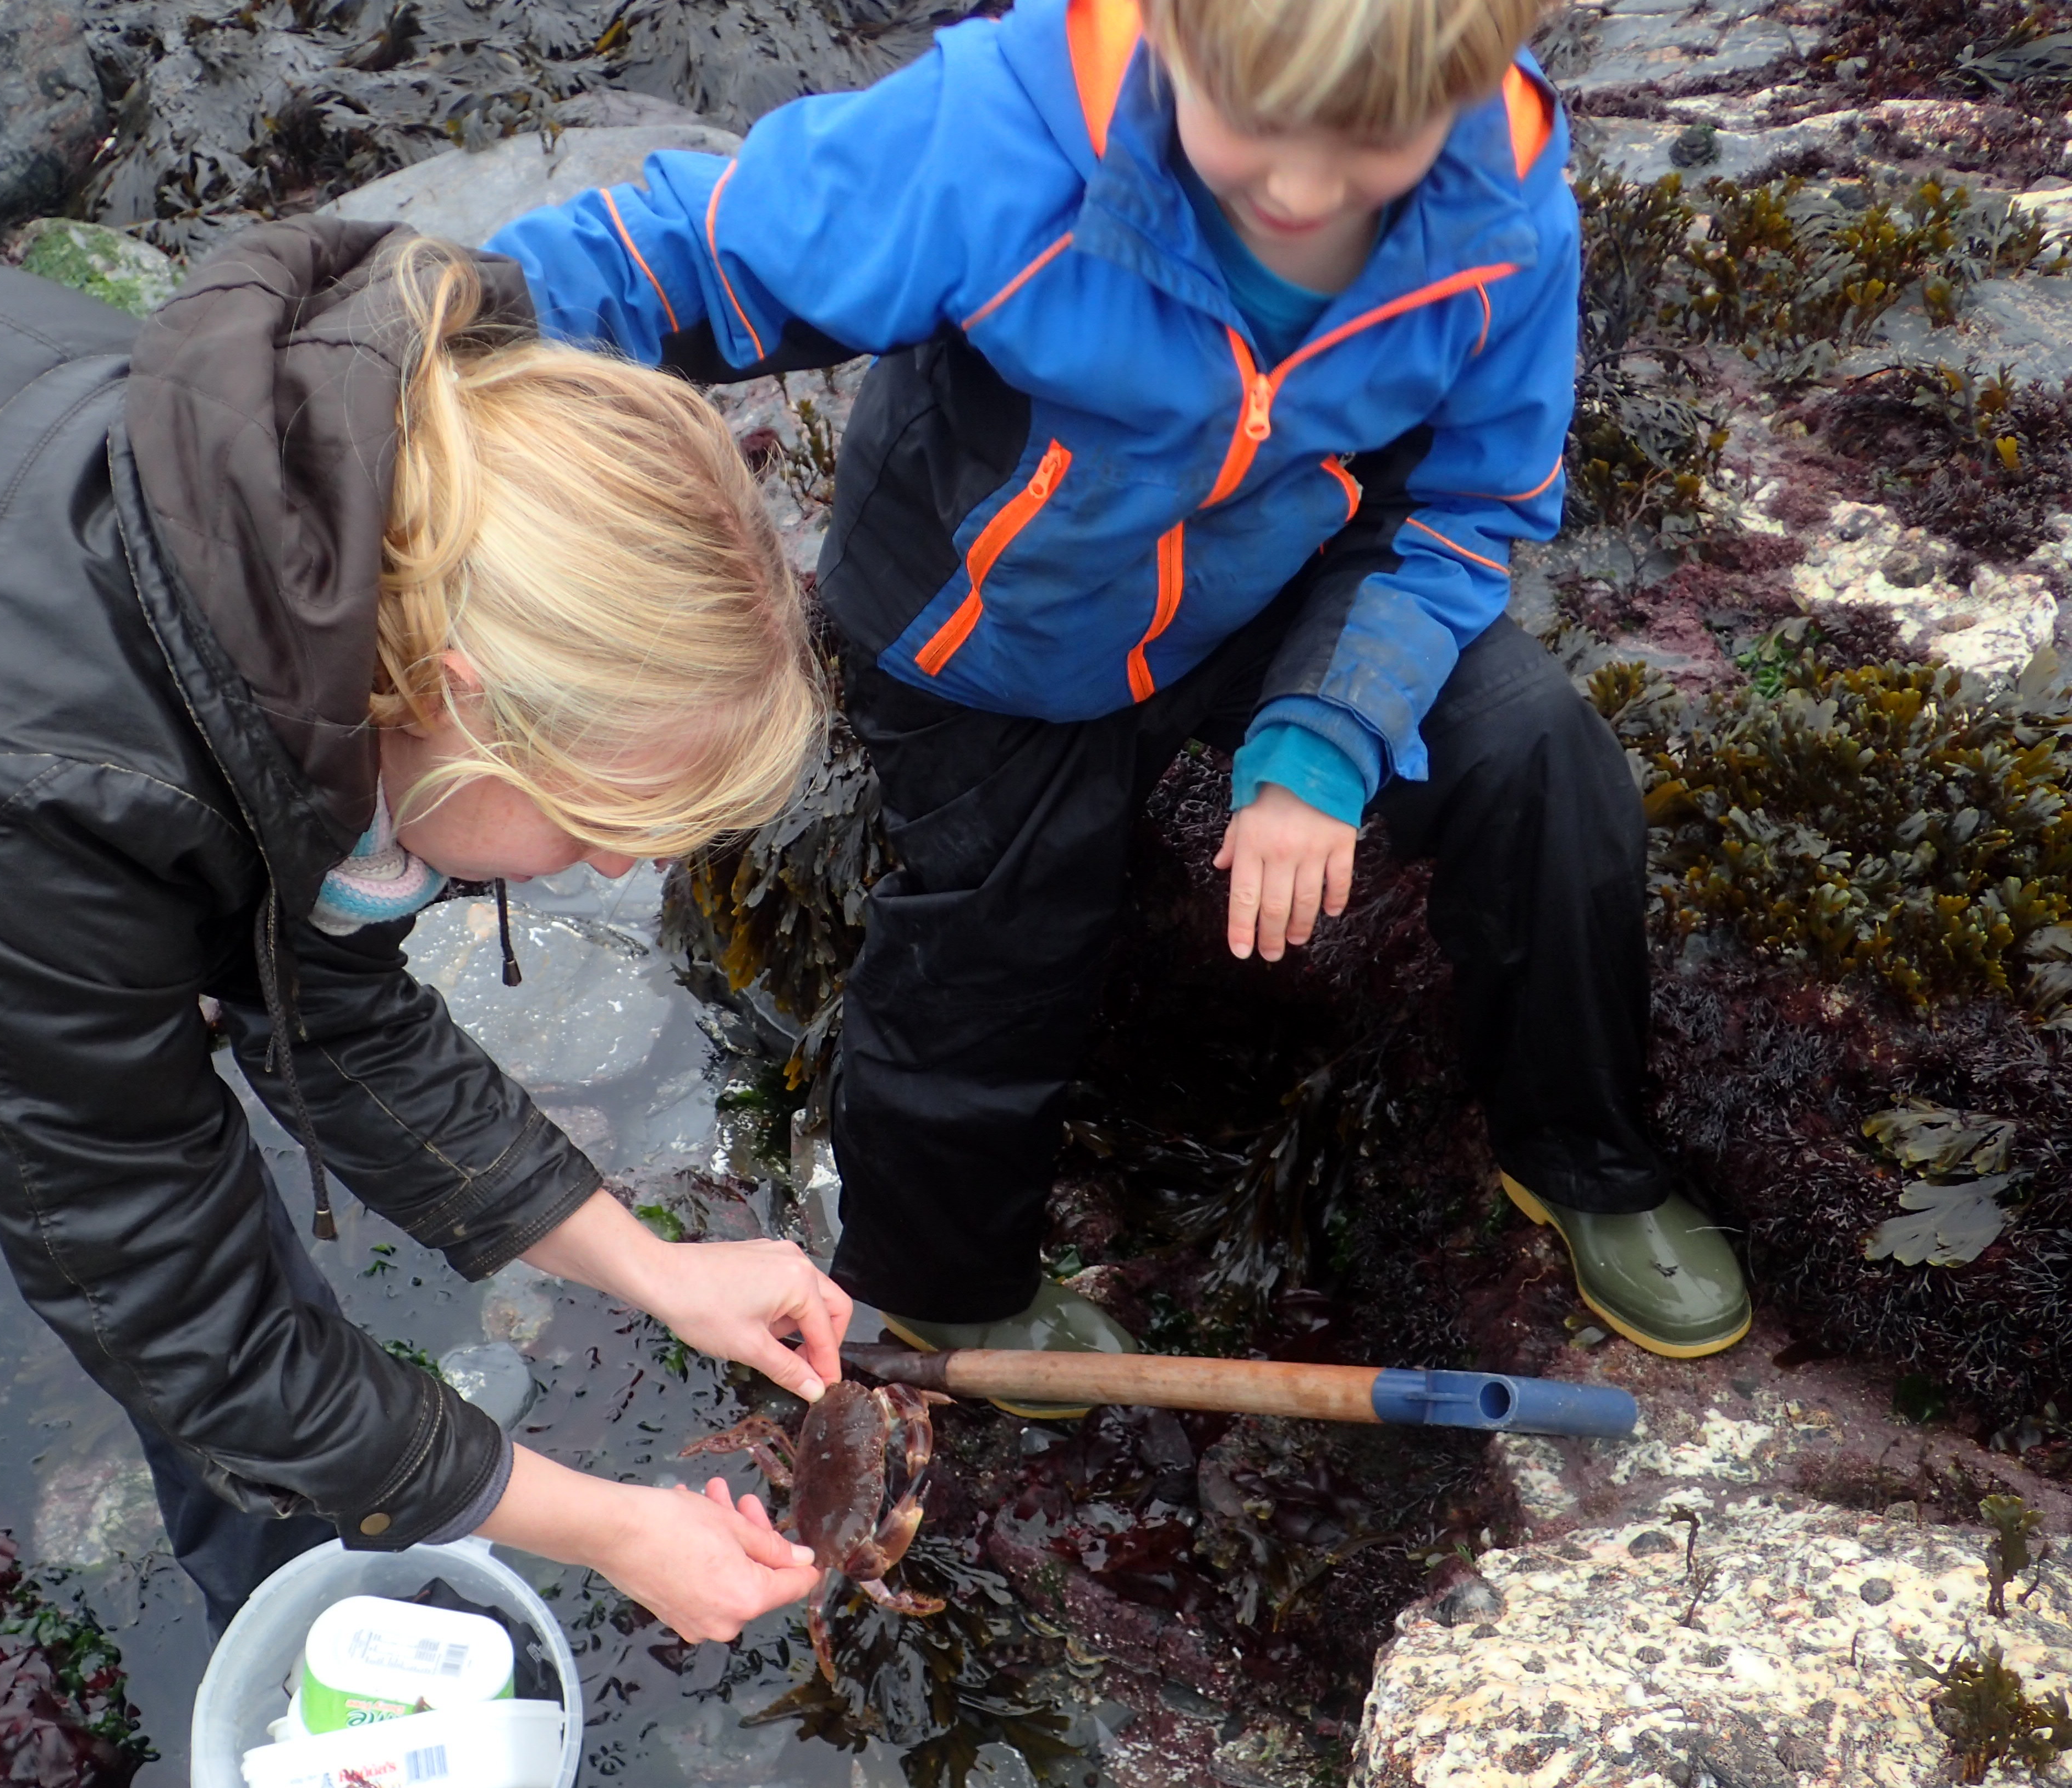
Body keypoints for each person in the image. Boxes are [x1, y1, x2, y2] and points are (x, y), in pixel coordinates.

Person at [0, 209, 848, 1788]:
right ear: (459, 690)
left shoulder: (315, 574)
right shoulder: (39, 788)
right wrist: (606, 1524)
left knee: (189, 1226)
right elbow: (182, 1311)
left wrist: (653, 1273)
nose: (612, 873)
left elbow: (339, 1019)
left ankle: (312, 1627)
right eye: (602, 823)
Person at [486, 0, 1751, 1403]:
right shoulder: (999, 135)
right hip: (991, 624)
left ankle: (1578, 1156)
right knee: (997, 932)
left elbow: (1468, 503)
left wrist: (1328, 737)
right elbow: (684, 261)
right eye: (1255, 128)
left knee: (1545, 761)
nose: (1299, 192)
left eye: (1367, 150)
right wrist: (402, 341)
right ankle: (946, 1285)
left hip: (1281, 577)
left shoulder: (1504, 211)